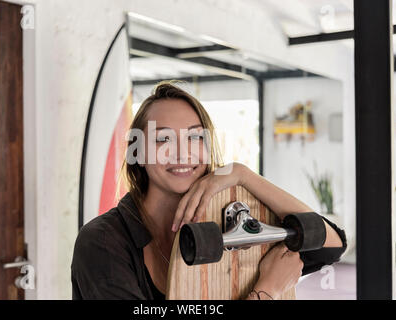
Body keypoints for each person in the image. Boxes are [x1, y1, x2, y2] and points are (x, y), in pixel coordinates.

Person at [71, 82, 347, 300]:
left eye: (195, 136)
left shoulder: (229, 220)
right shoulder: (102, 241)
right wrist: (266, 292)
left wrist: (242, 174)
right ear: (138, 153)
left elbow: (331, 245)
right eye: (163, 138)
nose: (183, 152)